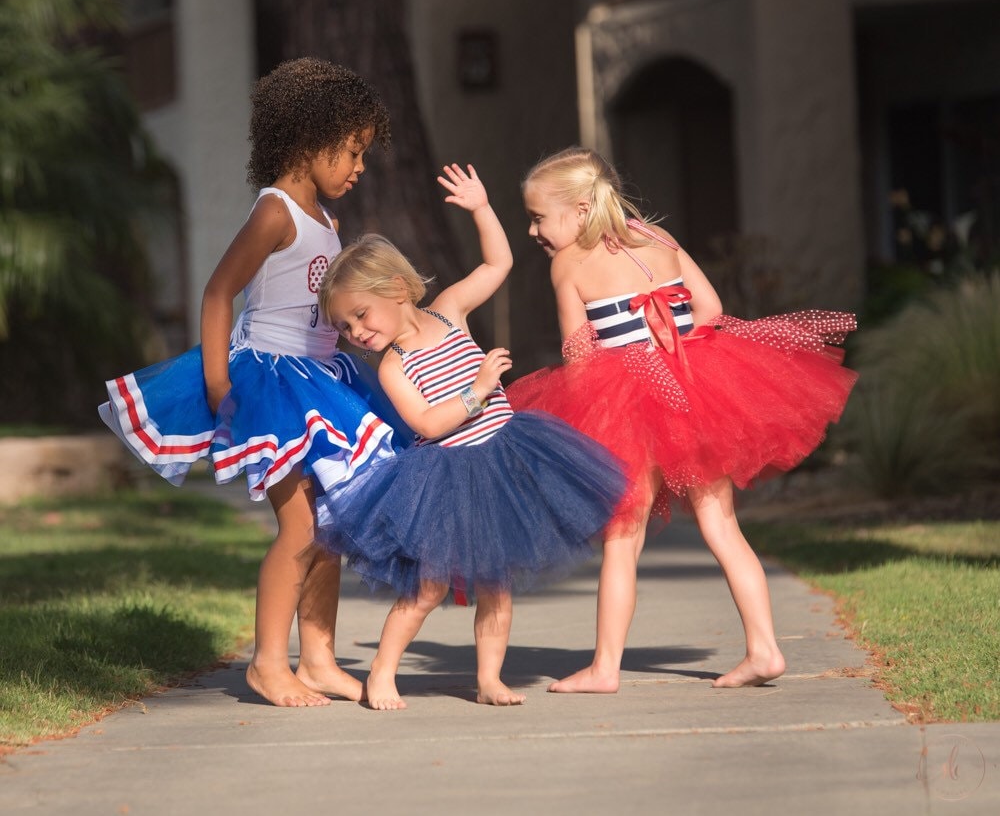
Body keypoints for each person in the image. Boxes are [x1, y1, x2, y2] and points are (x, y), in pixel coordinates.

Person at [98, 58, 412, 708]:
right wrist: (219, 384)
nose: (358, 167)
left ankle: (318, 656)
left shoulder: (326, 222)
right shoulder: (276, 211)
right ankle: (269, 662)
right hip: (270, 384)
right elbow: (218, 293)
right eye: (352, 152)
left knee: (331, 526)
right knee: (300, 529)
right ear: (309, 137)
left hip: (321, 381)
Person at [507, 146, 858, 693]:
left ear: (578, 210)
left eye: (536, 217)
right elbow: (711, 309)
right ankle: (765, 648)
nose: (532, 232)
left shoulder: (568, 263)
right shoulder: (659, 239)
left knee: (623, 537)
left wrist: (586, 420)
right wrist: (667, 339)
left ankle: (605, 668)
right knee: (723, 526)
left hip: (628, 403)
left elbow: (578, 354)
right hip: (696, 389)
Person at [315, 163, 626, 710]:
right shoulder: (394, 365)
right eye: (344, 327)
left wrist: (482, 208)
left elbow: (498, 262)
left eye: (359, 314)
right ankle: (382, 674)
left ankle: (489, 679)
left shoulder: (450, 311)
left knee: (497, 586)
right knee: (429, 587)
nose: (356, 332)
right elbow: (428, 425)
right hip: (448, 474)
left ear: (394, 289)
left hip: (504, 458)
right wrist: (479, 389)